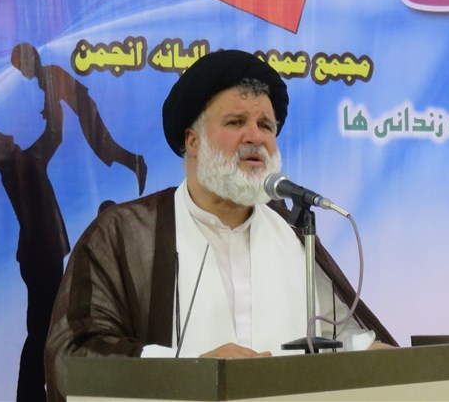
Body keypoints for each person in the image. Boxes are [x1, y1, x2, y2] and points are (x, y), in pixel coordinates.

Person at [44, 50, 397, 401]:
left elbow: (336, 336)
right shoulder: (125, 233)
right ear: (192, 141)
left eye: (266, 125)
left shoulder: (292, 234)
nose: (254, 136)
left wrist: (374, 356)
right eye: (235, 122)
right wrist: (193, 371)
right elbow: (73, 354)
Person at [0, 100, 69, 402]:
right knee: (43, 330)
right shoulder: (23, 163)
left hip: (40, 257)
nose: (6, 135)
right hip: (42, 258)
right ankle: (31, 395)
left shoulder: (20, 164)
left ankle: (33, 393)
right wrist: (53, 97)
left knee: (43, 328)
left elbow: (53, 136)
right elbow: (54, 135)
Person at [11, 42, 147, 195]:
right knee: (104, 147)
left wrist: (48, 111)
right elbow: (52, 99)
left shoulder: (48, 74)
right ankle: (135, 163)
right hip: (84, 111)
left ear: (31, 60)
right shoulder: (45, 77)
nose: (22, 72)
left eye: (21, 66)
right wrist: (47, 110)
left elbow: (53, 99)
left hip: (86, 110)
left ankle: (137, 163)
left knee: (104, 146)